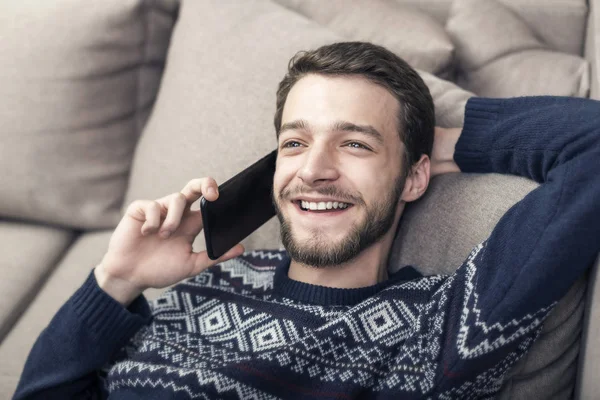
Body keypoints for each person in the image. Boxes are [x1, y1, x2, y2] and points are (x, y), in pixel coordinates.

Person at [13, 41, 600, 399]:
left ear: (417, 177)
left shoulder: (442, 327)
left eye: (355, 145)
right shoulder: (199, 285)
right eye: (294, 144)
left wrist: (444, 141)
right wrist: (115, 283)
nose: (314, 170)